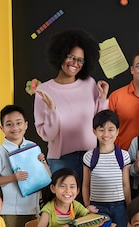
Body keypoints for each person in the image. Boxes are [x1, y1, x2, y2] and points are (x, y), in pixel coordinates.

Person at [34, 28, 109, 178]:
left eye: (80, 60)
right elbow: (47, 135)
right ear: (60, 56)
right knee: (64, 201)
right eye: (71, 57)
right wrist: (52, 110)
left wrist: (103, 99)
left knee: (90, 201)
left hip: (91, 156)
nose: (75, 63)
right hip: (62, 160)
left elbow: (100, 121)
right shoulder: (44, 90)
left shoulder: (89, 84)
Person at [0, 105, 49, 227]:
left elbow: (47, 176)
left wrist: (42, 162)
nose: (15, 128)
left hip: (32, 207)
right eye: (9, 124)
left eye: (19, 123)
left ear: (26, 125)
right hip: (10, 210)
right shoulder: (0, 152)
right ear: (2, 128)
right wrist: (13, 178)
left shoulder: (33, 147)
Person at [83, 110, 131, 227]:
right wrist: (87, 207)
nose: (106, 134)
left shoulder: (123, 156)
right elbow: (85, 184)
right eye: (101, 129)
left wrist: (128, 208)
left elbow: (126, 184)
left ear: (117, 131)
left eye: (111, 129)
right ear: (94, 131)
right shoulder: (89, 156)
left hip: (119, 207)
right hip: (98, 207)